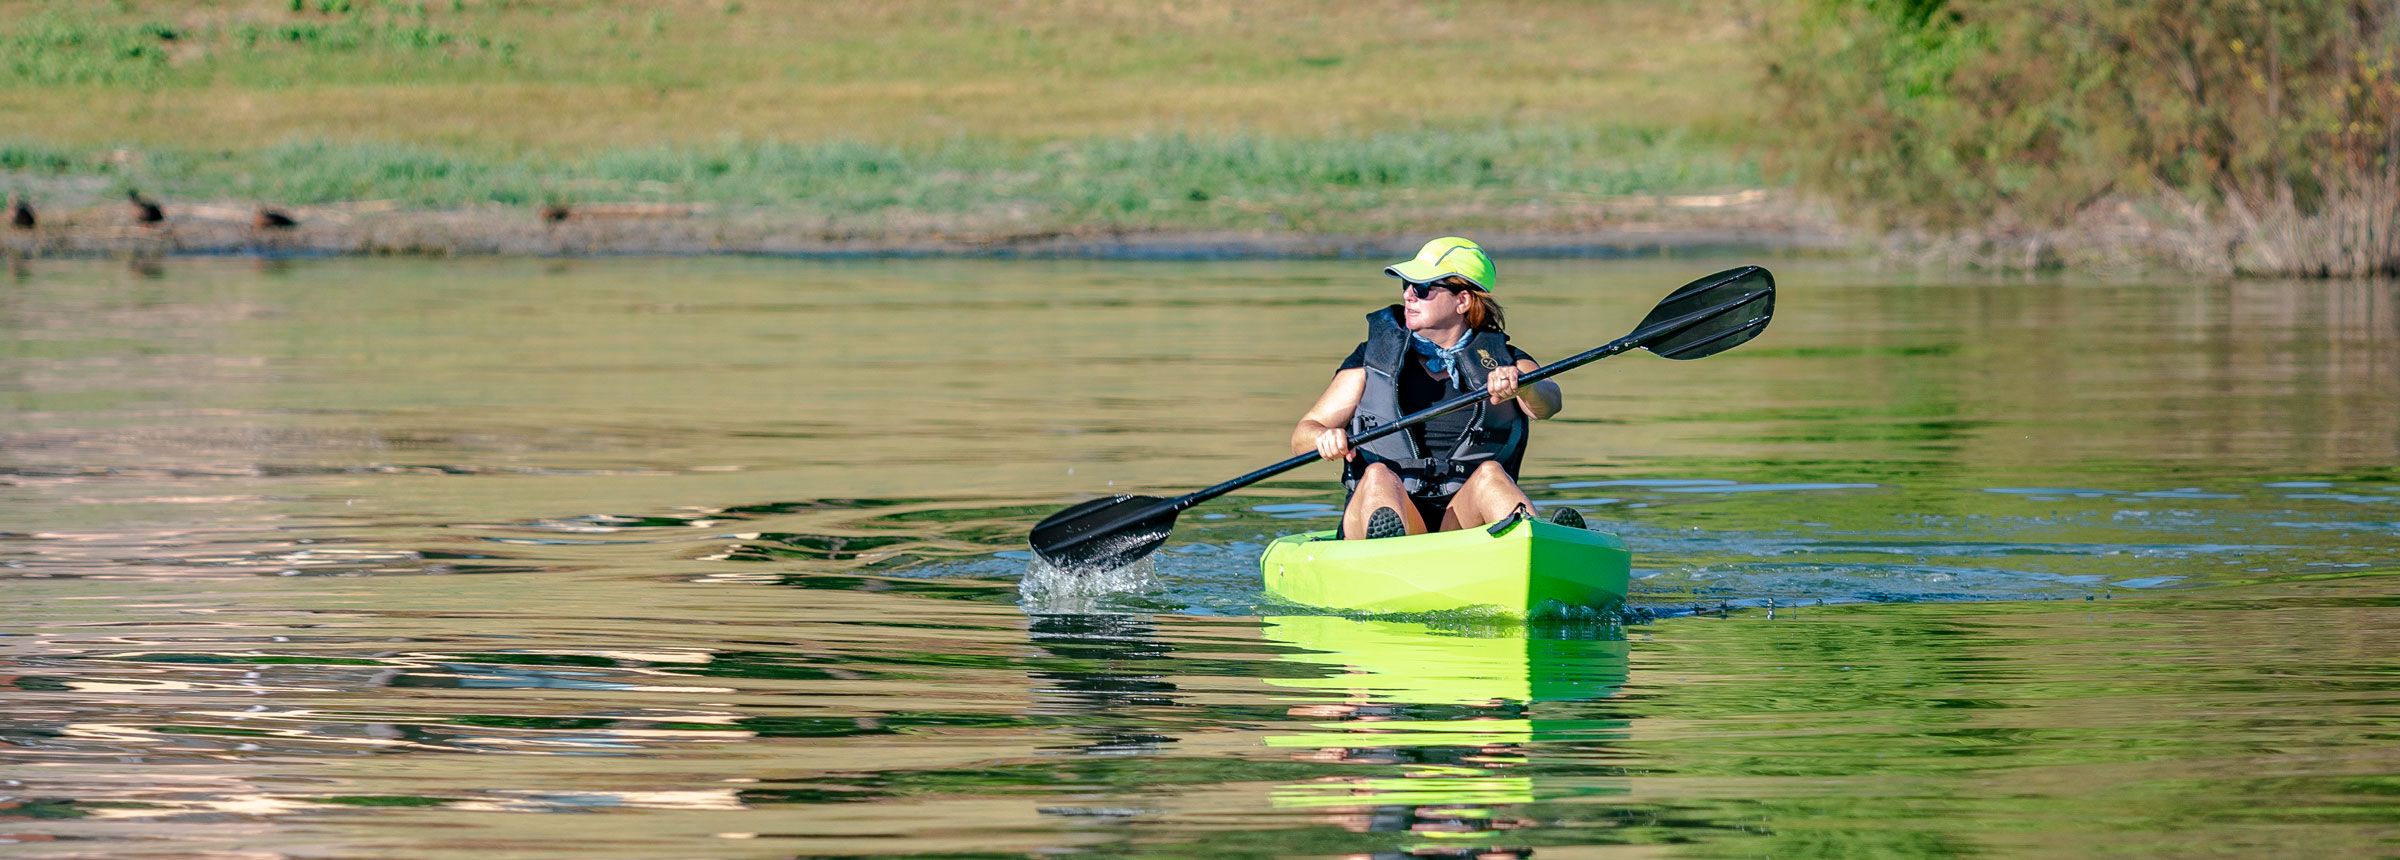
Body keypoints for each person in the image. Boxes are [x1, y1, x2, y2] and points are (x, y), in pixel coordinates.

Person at [1290, 237, 1577, 540]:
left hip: (1459, 523)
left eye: (1423, 288)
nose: (1408, 295)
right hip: (1381, 511)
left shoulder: (1506, 361)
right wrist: (1324, 437)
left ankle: (1544, 546)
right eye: (1406, 285)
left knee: (1491, 474)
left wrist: (1523, 387)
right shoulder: (1370, 361)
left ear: (1462, 301)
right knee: (1376, 476)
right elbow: (1302, 436)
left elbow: (1549, 402)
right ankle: (1388, 554)